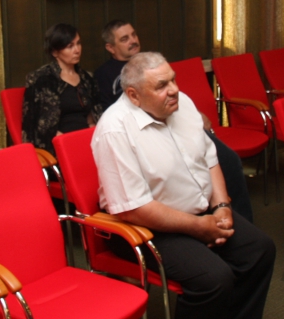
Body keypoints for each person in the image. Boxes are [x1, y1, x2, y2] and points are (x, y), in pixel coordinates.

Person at [92, 52, 276, 319]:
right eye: (161, 86)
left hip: (200, 211)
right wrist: (198, 228)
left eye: (173, 79)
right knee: (213, 277)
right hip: (143, 228)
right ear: (134, 95)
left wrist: (222, 206)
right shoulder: (114, 129)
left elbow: (210, 159)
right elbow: (133, 209)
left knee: (259, 250)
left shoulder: (183, 104)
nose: (174, 89)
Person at [95, 19, 254, 223]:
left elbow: (176, 99)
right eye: (124, 39)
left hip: (174, 123)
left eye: (133, 35)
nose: (133, 41)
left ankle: (233, 216)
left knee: (228, 160)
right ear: (110, 47)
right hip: (145, 131)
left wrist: (193, 114)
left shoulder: (155, 63)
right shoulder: (105, 75)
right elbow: (112, 111)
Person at [22, 23, 103, 155]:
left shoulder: (87, 78)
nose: (77, 50)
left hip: (87, 139)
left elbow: (93, 118)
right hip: (59, 143)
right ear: (55, 52)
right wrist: (68, 144)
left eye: (78, 43)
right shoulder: (41, 79)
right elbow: (35, 126)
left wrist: (91, 139)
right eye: (70, 46)